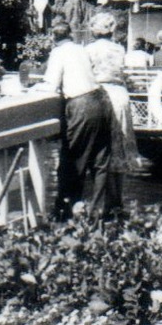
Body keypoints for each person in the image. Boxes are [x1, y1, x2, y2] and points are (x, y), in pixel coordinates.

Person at [36, 20, 115, 217]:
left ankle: (66, 211)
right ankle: (99, 213)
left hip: (82, 104)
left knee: (72, 159)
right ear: (70, 34)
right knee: (100, 160)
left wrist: (35, 87)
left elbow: (51, 83)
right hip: (102, 100)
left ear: (53, 38)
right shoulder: (81, 49)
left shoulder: (58, 52)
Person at [87, 12, 147, 178]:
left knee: (101, 141)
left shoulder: (89, 50)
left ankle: (101, 182)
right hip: (119, 94)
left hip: (100, 93)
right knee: (120, 139)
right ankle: (117, 192)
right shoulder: (119, 49)